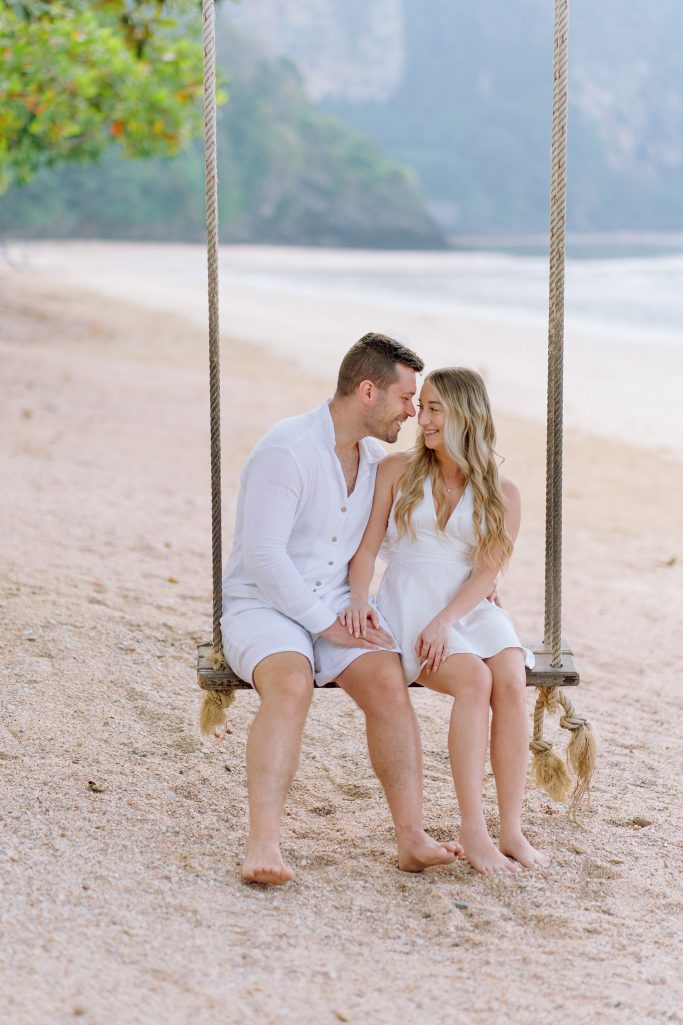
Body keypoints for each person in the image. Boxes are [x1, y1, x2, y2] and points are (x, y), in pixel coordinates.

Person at [221, 333, 462, 885]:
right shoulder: (288, 450)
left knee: (385, 679)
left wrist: (478, 578)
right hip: (263, 605)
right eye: (406, 399)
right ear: (369, 390)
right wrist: (327, 624)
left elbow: (408, 540)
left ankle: (411, 838)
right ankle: (264, 842)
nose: (412, 412)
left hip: (336, 603)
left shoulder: (378, 461)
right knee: (290, 683)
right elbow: (263, 557)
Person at [341, 367, 548, 874]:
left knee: (512, 680)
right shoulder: (396, 471)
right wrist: (358, 599)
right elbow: (366, 549)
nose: (421, 419)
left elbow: (486, 574)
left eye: (434, 409)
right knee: (474, 679)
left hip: (468, 605)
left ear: (464, 416)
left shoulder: (504, 492)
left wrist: (447, 620)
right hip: (411, 603)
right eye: (423, 407)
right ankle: (473, 829)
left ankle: (512, 830)